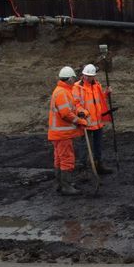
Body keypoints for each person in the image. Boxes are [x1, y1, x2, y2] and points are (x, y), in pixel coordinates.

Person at [48, 66, 89, 195]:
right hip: (62, 134)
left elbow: (71, 108)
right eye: (73, 79)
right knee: (66, 159)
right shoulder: (62, 93)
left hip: (58, 134)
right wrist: (80, 121)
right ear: (70, 79)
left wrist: (80, 112)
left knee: (59, 158)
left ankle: (60, 183)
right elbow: (66, 114)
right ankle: (66, 186)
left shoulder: (63, 91)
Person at [73, 63, 115, 175]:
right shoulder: (77, 87)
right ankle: (82, 169)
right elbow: (75, 104)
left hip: (97, 122)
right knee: (84, 146)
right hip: (86, 122)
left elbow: (99, 99)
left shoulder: (97, 85)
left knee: (98, 145)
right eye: (85, 75)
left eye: (89, 76)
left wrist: (106, 93)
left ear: (93, 76)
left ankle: (98, 165)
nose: (86, 77)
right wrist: (82, 112)